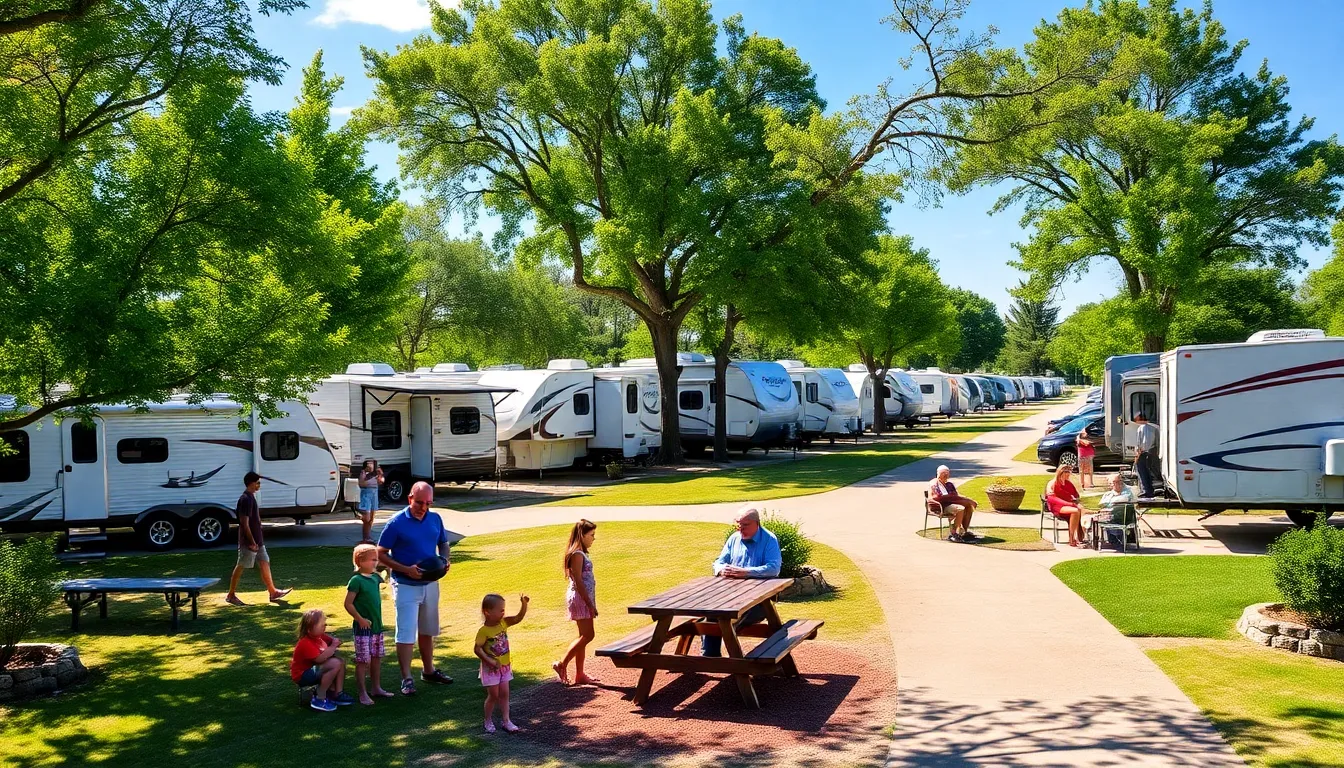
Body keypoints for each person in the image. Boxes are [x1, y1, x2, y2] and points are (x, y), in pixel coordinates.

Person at [377, 481, 454, 696]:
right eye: (419, 502)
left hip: (431, 583)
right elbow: (380, 553)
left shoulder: (435, 518)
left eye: (428, 503)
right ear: (410, 498)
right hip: (405, 585)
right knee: (406, 632)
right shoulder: (396, 522)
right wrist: (406, 570)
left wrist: (445, 560)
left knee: (428, 629)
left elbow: (444, 543)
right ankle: (407, 678)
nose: (424, 507)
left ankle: (428, 671)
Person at [703, 505, 782, 657]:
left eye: (745, 525)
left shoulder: (769, 539)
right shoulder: (734, 539)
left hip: (759, 601)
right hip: (730, 595)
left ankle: (735, 664)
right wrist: (721, 570)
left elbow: (774, 569)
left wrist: (746, 572)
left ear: (757, 523)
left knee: (725, 621)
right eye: (738, 525)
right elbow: (719, 562)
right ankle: (710, 657)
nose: (741, 529)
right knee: (711, 612)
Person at [224, 472, 292, 606]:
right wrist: (251, 542)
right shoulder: (245, 499)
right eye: (257, 483)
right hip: (249, 542)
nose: (259, 485)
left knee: (265, 562)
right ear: (251, 483)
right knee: (241, 565)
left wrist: (257, 541)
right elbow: (244, 523)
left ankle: (273, 592)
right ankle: (231, 595)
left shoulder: (251, 497)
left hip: (258, 541)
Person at [344, 543, 394, 705]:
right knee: (363, 660)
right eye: (372, 559)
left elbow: (386, 576)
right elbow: (348, 604)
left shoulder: (374, 578)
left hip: (377, 627)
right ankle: (362, 693)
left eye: (376, 559)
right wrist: (360, 619)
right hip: (363, 629)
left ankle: (376, 688)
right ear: (360, 561)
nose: (375, 562)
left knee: (376, 658)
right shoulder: (356, 580)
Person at [553, 520, 599, 686]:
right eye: (591, 535)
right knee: (588, 635)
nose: (593, 538)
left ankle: (580, 674)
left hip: (583, 598)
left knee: (583, 636)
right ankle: (562, 664)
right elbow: (578, 581)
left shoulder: (580, 553)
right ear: (582, 535)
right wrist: (589, 604)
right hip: (581, 599)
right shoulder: (577, 554)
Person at [475, 593, 529, 734]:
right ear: (487, 612)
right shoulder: (483, 631)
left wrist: (524, 604)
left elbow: (518, 618)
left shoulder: (503, 623)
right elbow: (477, 649)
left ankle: (506, 720)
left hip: (505, 667)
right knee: (493, 695)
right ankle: (487, 720)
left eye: (503, 610)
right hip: (490, 669)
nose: (503, 613)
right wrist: (490, 661)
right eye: (500, 610)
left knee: (504, 693)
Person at [291, 609, 354, 712]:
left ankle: (337, 693)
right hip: (302, 675)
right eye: (321, 625)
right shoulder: (305, 643)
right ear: (309, 629)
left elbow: (331, 641)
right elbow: (319, 659)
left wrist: (335, 641)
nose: (325, 626)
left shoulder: (320, 636)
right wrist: (333, 646)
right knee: (335, 663)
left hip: (314, 670)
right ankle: (319, 698)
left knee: (340, 662)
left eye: (324, 624)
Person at [929, 465, 979, 543]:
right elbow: (939, 497)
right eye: (943, 473)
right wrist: (966, 500)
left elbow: (955, 496)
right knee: (960, 508)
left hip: (950, 504)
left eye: (947, 473)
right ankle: (954, 533)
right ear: (938, 474)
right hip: (941, 506)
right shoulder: (934, 483)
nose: (946, 474)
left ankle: (964, 531)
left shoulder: (949, 485)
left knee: (968, 506)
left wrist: (967, 500)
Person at [1046, 464, 1090, 547]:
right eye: (1066, 472)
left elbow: (1076, 494)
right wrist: (1070, 504)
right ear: (1061, 472)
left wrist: (1076, 500)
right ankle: (1071, 538)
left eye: (1069, 472)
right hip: (1057, 506)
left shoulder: (1068, 483)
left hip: (1068, 505)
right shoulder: (1052, 483)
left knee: (1082, 510)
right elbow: (1052, 499)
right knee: (1075, 511)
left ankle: (1081, 537)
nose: (1068, 474)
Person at [357, 460, 384, 543]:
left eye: (372, 464)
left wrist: (380, 475)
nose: (371, 466)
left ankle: (368, 537)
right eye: (369, 464)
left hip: (374, 493)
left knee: (371, 518)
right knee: (367, 518)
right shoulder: (363, 473)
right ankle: (365, 537)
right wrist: (370, 476)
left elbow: (381, 481)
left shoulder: (376, 473)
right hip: (366, 494)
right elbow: (361, 484)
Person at [1134, 412, 1159, 498]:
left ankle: (1146, 490)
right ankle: (1149, 490)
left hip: (1144, 452)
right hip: (1152, 452)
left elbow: (1144, 443)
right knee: (1148, 471)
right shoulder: (1154, 427)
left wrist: (1138, 454)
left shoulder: (1142, 428)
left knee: (1142, 471)